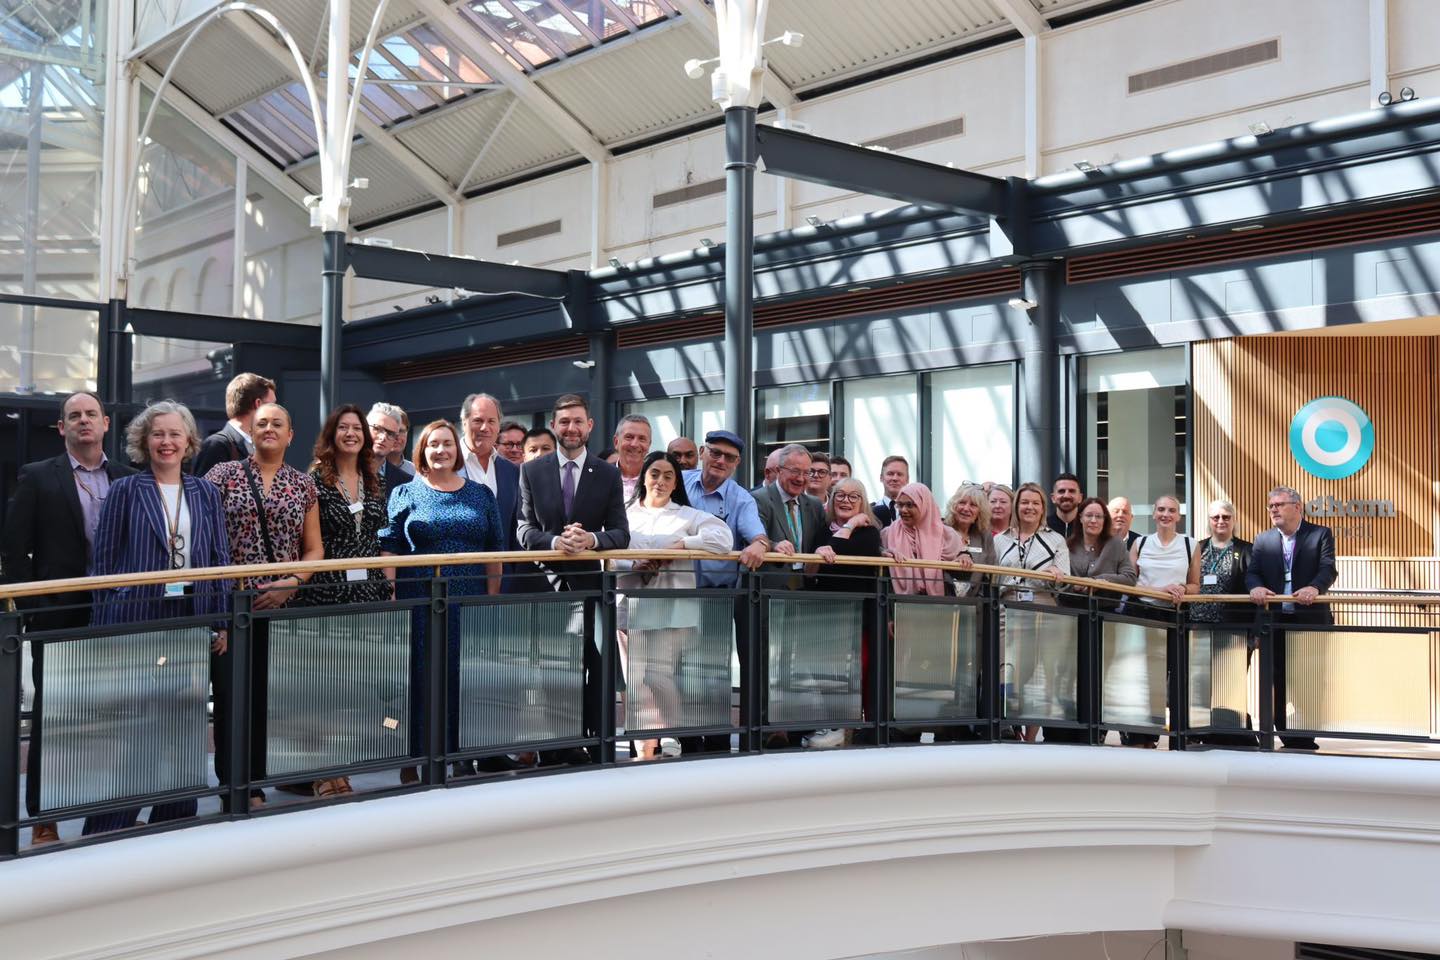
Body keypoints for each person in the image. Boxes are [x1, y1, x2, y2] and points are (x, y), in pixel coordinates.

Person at [82, 401, 232, 835]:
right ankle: (112, 822)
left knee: (183, 722)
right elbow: (103, 564)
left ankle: (175, 815)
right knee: (139, 724)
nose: (167, 442)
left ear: (189, 442)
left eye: (174, 434)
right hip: (138, 619)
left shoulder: (205, 492)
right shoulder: (126, 490)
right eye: (158, 434)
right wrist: (106, 628)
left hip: (191, 618)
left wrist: (221, 620)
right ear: (144, 441)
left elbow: (219, 559)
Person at [2, 391, 137, 845]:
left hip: (116, 615)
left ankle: (110, 813)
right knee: (54, 717)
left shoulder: (127, 478)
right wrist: (35, 610)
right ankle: (44, 819)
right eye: (74, 416)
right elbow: (14, 551)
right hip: (60, 616)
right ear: (62, 428)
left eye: (91, 414)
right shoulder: (39, 476)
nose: (84, 421)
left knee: (117, 713)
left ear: (105, 424)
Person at [205, 402, 324, 802]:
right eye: (261, 423)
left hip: (282, 606)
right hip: (231, 605)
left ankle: (255, 779)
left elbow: (314, 549)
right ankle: (233, 786)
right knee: (229, 697)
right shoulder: (223, 475)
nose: (269, 429)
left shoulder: (303, 485)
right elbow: (204, 538)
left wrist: (291, 583)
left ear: (291, 435)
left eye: (277, 423)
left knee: (266, 696)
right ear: (251, 433)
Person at [381, 419, 504, 777]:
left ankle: (460, 754)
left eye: (447, 443)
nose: (441, 450)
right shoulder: (404, 493)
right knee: (418, 677)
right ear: (422, 450)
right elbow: (390, 547)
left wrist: (490, 600)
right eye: (433, 444)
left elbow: (495, 549)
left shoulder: (481, 494)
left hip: (468, 599)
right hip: (419, 598)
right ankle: (414, 756)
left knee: (464, 676)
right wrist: (391, 596)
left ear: (457, 449)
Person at [517, 394, 629, 762]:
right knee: (554, 670)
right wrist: (555, 542)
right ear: (554, 425)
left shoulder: (608, 473)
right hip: (546, 585)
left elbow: (621, 533)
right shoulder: (532, 470)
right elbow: (523, 529)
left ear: (590, 426)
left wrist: (590, 540)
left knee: (595, 669)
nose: (571, 428)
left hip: (591, 586)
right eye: (564, 421)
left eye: (578, 421)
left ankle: (594, 743)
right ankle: (558, 745)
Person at [612, 451, 730, 759]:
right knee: (634, 680)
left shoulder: (687, 515)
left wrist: (679, 546)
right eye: (654, 474)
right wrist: (633, 563)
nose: (660, 481)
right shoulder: (625, 513)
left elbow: (723, 539)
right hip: (630, 603)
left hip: (672, 607)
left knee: (658, 675)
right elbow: (606, 554)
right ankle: (643, 744)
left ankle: (674, 735)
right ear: (644, 477)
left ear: (676, 482)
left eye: (668, 476)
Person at [680, 429, 769, 756]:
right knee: (676, 669)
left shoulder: (740, 498)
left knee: (712, 672)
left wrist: (759, 545)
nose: (720, 461)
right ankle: (688, 740)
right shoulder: (678, 481)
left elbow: (758, 536)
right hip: (674, 591)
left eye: (729, 457)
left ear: (737, 463)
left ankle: (716, 741)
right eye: (715, 453)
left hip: (715, 598)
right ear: (702, 452)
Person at [1247, 485, 1337, 751]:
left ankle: (1305, 734)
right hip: (1275, 621)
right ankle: (1283, 730)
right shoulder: (1263, 540)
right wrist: (1256, 587)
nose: (1273, 509)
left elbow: (1328, 568)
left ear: (1297, 507)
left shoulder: (1320, 534)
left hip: (1308, 621)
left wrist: (1315, 588)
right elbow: (1253, 572)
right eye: (1271, 506)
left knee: (1309, 678)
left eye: (1279, 505)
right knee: (1277, 677)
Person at [809, 477, 885, 748]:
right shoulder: (822, 530)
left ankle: (852, 726)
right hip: (825, 614)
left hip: (858, 617)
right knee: (825, 671)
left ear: (863, 501)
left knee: (856, 670)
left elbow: (841, 553)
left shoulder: (869, 532)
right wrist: (819, 551)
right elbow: (812, 570)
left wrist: (850, 525)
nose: (846, 500)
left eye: (854, 496)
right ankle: (836, 724)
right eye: (840, 495)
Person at [994, 483, 1071, 740]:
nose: (1030, 507)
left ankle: (1030, 736)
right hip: (1007, 606)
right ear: (1017, 506)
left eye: (1035, 503)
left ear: (1043, 508)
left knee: (1039, 671)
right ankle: (1009, 725)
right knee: (1007, 667)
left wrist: (1052, 574)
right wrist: (1041, 574)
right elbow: (993, 578)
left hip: (1043, 608)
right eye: (1025, 502)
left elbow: (1064, 578)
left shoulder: (1055, 539)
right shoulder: (1000, 539)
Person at [306, 405, 395, 607]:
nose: (350, 433)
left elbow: (380, 534)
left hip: (371, 587)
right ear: (331, 434)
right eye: (343, 427)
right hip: (328, 588)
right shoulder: (314, 481)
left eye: (357, 428)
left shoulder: (376, 482)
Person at [1124, 494, 1193, 747]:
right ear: (1154, 514)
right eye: (1161, 509)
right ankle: (1141, 735)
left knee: (1175, 676)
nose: (1166, 514)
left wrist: (1182, 588)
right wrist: (1160, 590)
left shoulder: (1190, 545)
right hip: (1143, 613)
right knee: (1143, 677)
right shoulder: (1140, 543)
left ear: (1178, 516)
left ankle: (1177, 736)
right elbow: (1130, 583)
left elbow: (1196, 585)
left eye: (1171, 510)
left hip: (1175, 615)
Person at [1186, 499, 1255, 747]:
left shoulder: (1246, 550)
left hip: (1232, 629)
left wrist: (1254, 633)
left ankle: (1231, 732)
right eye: (1215, 517)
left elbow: (1253, 588)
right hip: (1197, 627)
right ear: (1209, 520)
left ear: (1234, 519)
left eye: (1226, 517)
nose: (1221, 521)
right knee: (1199, 682)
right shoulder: (1198, 548)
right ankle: (1199, 730)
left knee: (1229, 682)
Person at [459, 393, 521, 589]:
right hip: (454, 581)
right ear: (464, 422)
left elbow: (514, 530)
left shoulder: (511, 471)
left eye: (491, 421)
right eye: (478, 420)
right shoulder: (443, 465)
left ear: (498, 426)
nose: (485, 428)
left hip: (503, 583)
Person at [752, 443, 827, 587]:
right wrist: (774, 546)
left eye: (806, 473)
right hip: (768, 587)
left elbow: (824, 540)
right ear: (779, 470)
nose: (800, 479)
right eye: (795, 471)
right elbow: (751, 538)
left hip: (806, 586)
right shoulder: (758, 499)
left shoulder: (814, 505)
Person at [191, 372, 276, 476]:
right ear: (258, 404)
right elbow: (204, 486)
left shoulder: (258, 446)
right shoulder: (217, 445)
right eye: (272, 405)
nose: (275, 411)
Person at [1066, 497, 1137, 600]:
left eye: (1099, 516)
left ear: (1104, 520)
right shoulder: (1067, 545)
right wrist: (1074, 586)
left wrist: (1100, 580)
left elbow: (1130, 578)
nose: (1093, 520)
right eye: (1089, 515)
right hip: (1070, 606)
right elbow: (1060, 582)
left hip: (1106, 607)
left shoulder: (1116, 544)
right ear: (1081, 518)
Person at [943, 483, 998, 597]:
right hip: (941, 602)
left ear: (980, 512)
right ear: (954, 506)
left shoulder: (984, 537)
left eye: (973, 505)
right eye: (962, 503)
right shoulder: (941, 530)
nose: (966, 508)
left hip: (975, 604)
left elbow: (988, 576)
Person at [367, 402, 413, 498]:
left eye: (390, 433)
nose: (383, 437)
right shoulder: (342, 469)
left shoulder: (407, 482)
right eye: (377, 429)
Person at [613, 414, 652, 502]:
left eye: (642, 439)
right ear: (616, 442)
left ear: (649, 445)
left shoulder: (657, 480)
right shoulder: (600, 477)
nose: (634, 444)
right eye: (629, 437)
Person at [871, 455, 910, 528]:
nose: (895, 478)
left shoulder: (915, 513)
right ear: (881, 478)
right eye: (890, 474)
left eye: (899, 474)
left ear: (907, 479)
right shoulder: (870, 511)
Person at [1047, 472, 1083, 539]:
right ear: (1053, 498)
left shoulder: (1087, 526)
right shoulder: (1042, 527)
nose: (1066, 496)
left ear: (1080, 498)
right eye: (1061, 491)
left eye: (1072, 491)